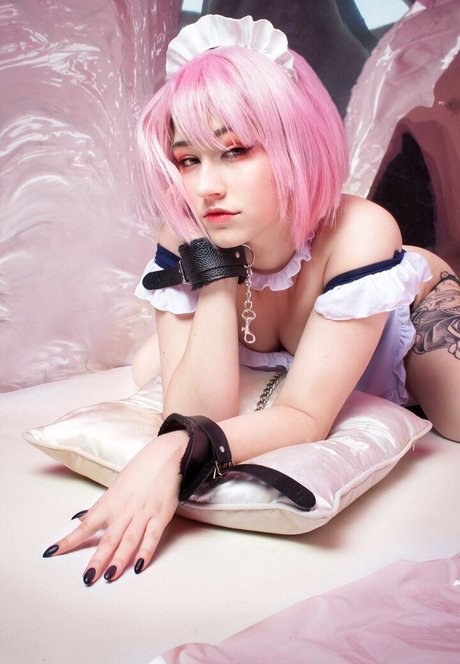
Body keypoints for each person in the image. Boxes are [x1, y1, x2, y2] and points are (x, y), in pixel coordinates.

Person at [42, 15, 460, 585]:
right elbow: (199, 411)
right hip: (289, 343)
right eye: (188, 160)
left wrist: (172, 452)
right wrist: (218, 274)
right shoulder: (186, 233)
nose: (205, 187)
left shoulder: (360, 230)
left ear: (297, 144)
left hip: (406, 315)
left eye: (235, 151)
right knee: (148, 366)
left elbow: (307, 417)